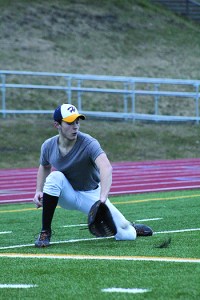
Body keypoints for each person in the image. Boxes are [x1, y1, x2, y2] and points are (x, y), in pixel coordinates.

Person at [33, 103, 152, 247]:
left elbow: (106, 167)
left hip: (91, 194)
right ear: (57, 125)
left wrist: (102, 199)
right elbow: (45, 166)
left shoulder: (88, 143)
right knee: (54, 177)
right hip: (67, 194)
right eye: (70, 122)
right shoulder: (48, 145)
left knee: (127, 235)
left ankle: (128, 225)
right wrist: (38, 190)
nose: (75, 126)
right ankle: (45, 231)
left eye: (77, 121)